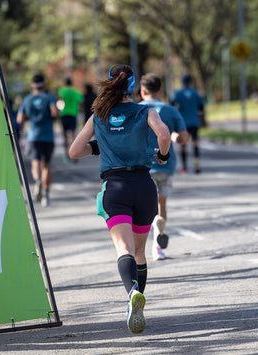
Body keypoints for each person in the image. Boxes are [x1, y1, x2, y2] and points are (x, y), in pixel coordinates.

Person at [69, 64, 171, 334]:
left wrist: (100, 147)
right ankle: (138, 302)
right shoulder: (145, 110)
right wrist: (163, 156)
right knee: (139, 252)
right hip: (144, 187)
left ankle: (131, 296)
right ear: (133, 86)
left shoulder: (98, 114)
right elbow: (163, 135)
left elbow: (74, 151)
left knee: (123, 250)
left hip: (115, 188)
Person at [139, 73, 189, 261]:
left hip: (143, 165)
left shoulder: (137, 110)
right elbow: (184, 138)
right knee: (162, 204)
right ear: (160, 90)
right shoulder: (171, 111)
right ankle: (158, 246)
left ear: (142, 91)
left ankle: (144, 245)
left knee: (144, 206)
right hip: (166, 163)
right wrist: (175, 137)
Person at [16, 74, 59, 207]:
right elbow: (55, 114)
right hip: (47, 137)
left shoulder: (27, 100)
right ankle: (46, 194)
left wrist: (29, 118)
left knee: (35, 165)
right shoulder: (49, 98)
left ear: (32, 86)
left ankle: (38, 180)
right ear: (43, 85)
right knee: (46, 166)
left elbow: (19, 120)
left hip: (33, 137)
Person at [171, 74, 204, 174]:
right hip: (194, 121)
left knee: (183, 144)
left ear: (182, 82)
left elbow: (172, 104)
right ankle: (196, 164)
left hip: (183, 122)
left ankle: (184, 167)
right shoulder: (195, 92)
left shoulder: (178, 93)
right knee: (195, 143)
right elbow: (201, 106)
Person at [58, 77, 84, 161]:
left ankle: (66, 156)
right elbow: (81, 101)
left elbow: (58, 101)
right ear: (71, 83)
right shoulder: (75, 92)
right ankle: (74, 155)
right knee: (73, 135)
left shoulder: (62, 91)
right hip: (73, 114)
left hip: (64, 114)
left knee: (64, 136)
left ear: (65, 83)